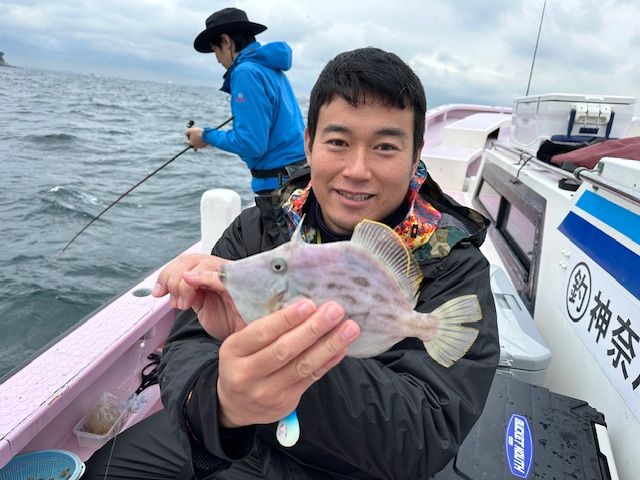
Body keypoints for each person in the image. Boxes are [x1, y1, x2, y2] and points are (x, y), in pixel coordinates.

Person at [84, 47, 499, 479]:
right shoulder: (264, 226)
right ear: (309, 143)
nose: (357, 170)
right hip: (240, 436)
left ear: (415, 156)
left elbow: (426, 437)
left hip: (340, 468)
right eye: (338, 142)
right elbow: (187, 343)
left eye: (385, 147)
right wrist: (221, 402)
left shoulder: (453, 265)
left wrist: (292, 367)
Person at [185, 7, 306, 195]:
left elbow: (251, 143)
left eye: (215, 50)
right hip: (298, 175)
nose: (217, 60)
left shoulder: (245, 72)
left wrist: (206, 136)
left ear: (226, 42)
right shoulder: (268, 68)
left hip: (280, 186)